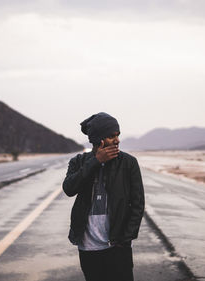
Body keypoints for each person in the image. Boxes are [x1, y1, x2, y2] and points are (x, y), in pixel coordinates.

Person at [63, 112, 145, 281]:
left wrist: (125, 239)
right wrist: (96, 161)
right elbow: (69, 188)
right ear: (98, 139)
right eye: (111, 136)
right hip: (88, 247)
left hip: (118, 246)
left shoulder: (128, 163)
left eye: (118, 135)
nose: (117, 140)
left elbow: (138, 204)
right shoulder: (78, 161)